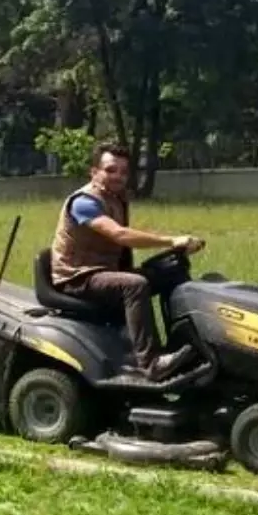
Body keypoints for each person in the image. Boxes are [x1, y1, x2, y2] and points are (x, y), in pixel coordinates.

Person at [48, 142, 204, 381]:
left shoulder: (116, 198)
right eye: (111, 170)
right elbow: (119, 235)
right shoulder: (84, 202)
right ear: (94, 172)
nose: (118, 176)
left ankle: (188, 341)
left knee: (172, 267)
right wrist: (171, 240)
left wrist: (174, 251)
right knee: (134, 285)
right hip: (77, 276)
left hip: (102, 272)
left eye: (123, 171)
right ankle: (151, 363)